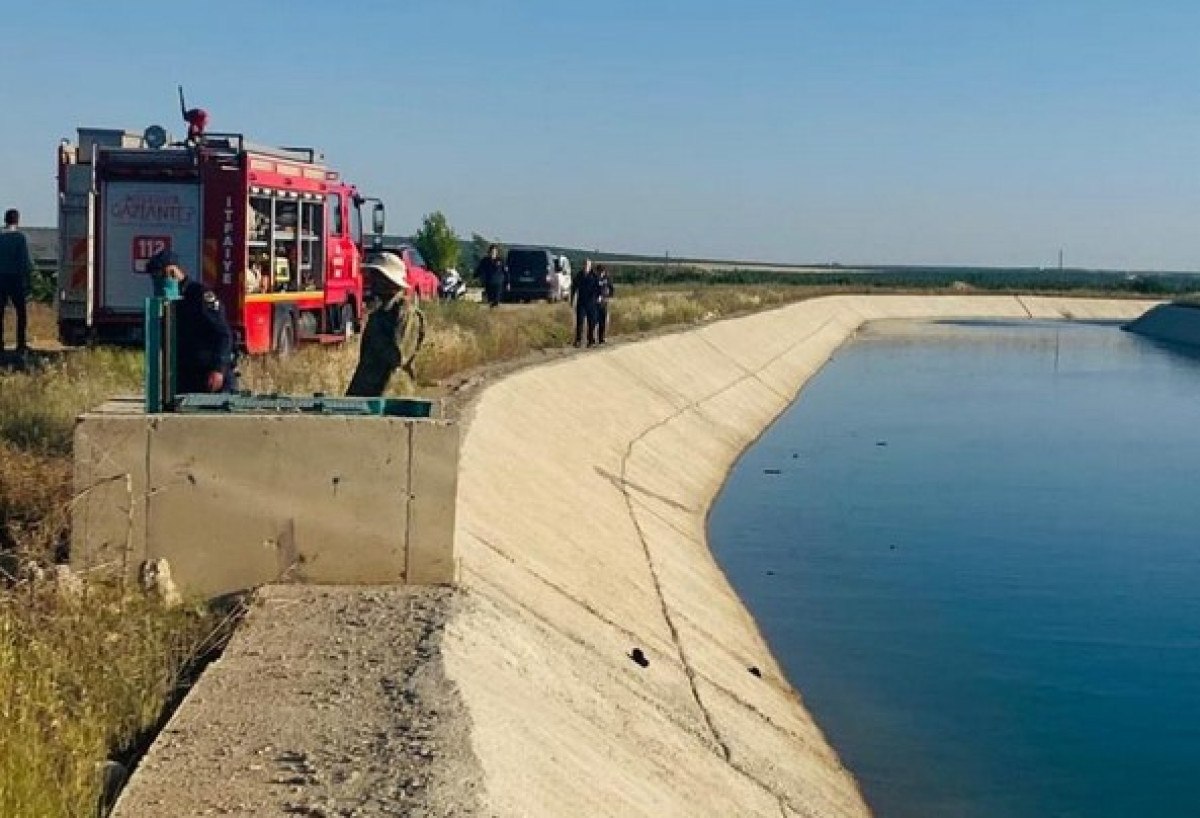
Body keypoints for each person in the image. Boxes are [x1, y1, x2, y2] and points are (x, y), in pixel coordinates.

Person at [164, 261, 235, 393]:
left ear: (173, 272)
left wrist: (218, 369)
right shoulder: (170, 301)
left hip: (209, 375)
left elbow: (223, 334)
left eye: (162, 276)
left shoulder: (199, 295)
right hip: (186, 376)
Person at [0, 208, 35, 355]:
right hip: (15, 278)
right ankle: (20, 343)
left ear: (5, 220)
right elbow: (25, 261)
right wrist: (28, 279)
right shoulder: (20, 237)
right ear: (17, 220)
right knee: (21, 311)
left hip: (0, 278)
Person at [572, 261, 602, 347]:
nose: (585, 266)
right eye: (584, 264)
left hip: (591, 303)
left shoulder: (594, 276)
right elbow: (574, 287)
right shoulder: (579, 275)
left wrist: (599, 297)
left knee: (591, 322)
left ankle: (591, 340)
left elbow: (599, 288)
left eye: (587, 265)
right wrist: (572, 299)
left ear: (590, 266)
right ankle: (578, 340)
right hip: (581, 302)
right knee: (580, 322)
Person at [595, 264, 615, 345]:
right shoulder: (594, 278)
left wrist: (609, 297)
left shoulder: (607, 279)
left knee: (603, 321)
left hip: (604, 302)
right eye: (599, 271)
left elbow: (611, 288)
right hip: (595, 303)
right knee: (594, 321)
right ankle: (593, 338)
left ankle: (601, 338)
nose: (600, 273)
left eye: (602, 272)